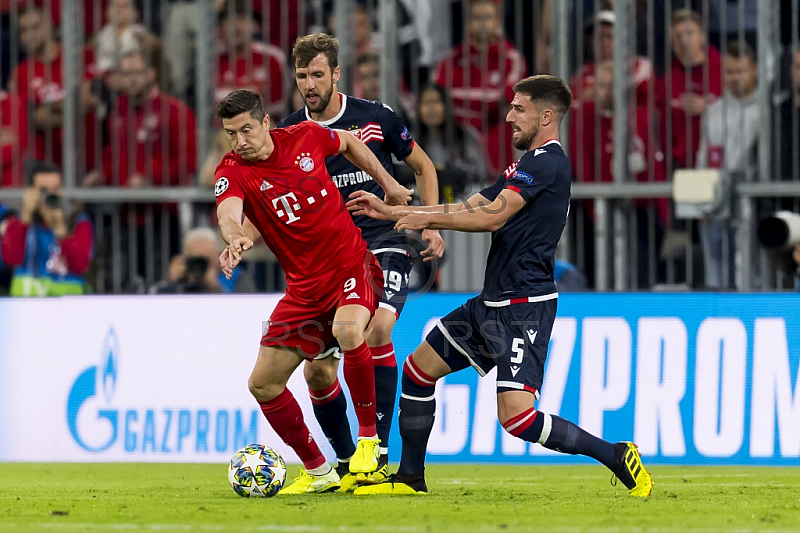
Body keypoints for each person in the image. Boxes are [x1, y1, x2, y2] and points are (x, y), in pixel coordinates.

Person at [348, 75, 653, 498]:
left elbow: (493, 217)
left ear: (547, 116)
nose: (508, 116)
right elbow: (478, 203)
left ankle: (615, 454)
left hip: (523, 307)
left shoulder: (548, 162)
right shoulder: (525, 163)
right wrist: (394, 212)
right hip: (490, 302)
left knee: (516, 420)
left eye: (518, 108)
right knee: (418, 370)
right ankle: (410, 478)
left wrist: (425, 220)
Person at [214, 88, 413, 494]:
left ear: (266, 122)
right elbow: (228, 212)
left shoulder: (305, 135)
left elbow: (350, 142)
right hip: (304, 291)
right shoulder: (232, 170)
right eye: (231, 134)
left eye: (246, 130)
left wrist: (388, 183)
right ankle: (319, 471)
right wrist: (234, 237)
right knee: (264, 383)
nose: (240, 141)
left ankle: (370, 445)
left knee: (349, 330)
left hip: (351, 265)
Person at [277, 33, 445, 490]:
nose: (309, 84)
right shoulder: (292, 133)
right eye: (301, 76)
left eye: (317, 74)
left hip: (384, 240)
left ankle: (381, 450)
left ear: (335, 73)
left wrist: (429, 225)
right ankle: (348, 463)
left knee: (377, 330)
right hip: (330, 259)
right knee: (317, 369)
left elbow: (424, 168)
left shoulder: (377, 117)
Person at [569, 60, 668, 288]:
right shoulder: (584, 118)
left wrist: (662, 215)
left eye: (609, 85)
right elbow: (583, 167)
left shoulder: (639, 116)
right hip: (598, 213)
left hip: (640, 211)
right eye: (600, 85)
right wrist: (600, 212)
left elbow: (654, 167)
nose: (602, 91)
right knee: (598, 275)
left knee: (644, 274)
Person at [433, 0, 527, 175]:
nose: (483, 23)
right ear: (468, 21)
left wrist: (464, 104)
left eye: (488, 17)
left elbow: (507, 105)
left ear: (498, 21)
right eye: (477, 17)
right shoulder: (450, 61)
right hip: (456, 134)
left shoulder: (511, 59)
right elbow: (436, 99)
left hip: (494, 134)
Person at [695, 40, 760, 290]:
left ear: (754, 70)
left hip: (750, 201)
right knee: (715, 271)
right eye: (729, 71)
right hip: (715, 202)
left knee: (750, 270)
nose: (734, 78)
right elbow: (703, 154)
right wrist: (701, 198)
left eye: (740, 71)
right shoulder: (714, 110)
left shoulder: (766, 109)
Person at [8, 4, 99, 170]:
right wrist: (74, 104)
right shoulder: (19, 74)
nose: (28, 35)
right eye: (23, 30)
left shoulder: (82, 56)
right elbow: (34, 119)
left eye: (34, 27)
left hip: (91, 160)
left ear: (49, 26)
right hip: (46, 166)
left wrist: (49, 107)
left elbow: (92, 100)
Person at [0, 161, 93, 296]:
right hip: (29, 303)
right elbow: (11, 259)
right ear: (30, 191)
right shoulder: (18, 222)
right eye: (43, 190)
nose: (50, 195)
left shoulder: (78, 220)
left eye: (55, 189)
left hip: (68, 302)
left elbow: (80, 264)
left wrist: (61, 230)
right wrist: (25, 219)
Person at [657, 9, 722, 170]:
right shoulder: (666, 80)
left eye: (689, 33)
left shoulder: (723, 71)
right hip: (681, 166)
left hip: (720, 163)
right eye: (677, 36)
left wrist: (711, 108)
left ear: (702, 37)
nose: (683, 40)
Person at [215, 0, 287, 120]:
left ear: (255, 25)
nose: (236, 26)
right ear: (221, 27)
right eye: (229, 20)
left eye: (242, 19)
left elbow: (282, 106)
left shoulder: (272, 58)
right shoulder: (213, 63)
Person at [152, 227, 255, 294]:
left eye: (206, 259)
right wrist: (170, 283)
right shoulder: (181, 279)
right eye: (195, 259)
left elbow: (244, 310)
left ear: (217, 255)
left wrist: (215, 287)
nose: (200, 265)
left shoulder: (237, 278)